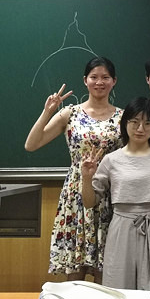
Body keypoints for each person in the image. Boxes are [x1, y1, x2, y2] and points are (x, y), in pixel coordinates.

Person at [25, 56, 122, 282]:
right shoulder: (70, 113)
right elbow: (31, 144)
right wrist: (48, 111)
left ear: (114, 81)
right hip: (76, 193)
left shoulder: (124, 117)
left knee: (106, 272)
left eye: (105, 77)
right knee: (75, 273)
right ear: (85, 80)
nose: (99, 82)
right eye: (94, 77)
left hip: (109, 192)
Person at [81, 97, 150, 290]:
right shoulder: (111, 160)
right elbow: (89, 202)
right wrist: (86, 178)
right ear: (125, 123)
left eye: (148, 123)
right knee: (119, 284)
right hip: (122, 226)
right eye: (134, 122)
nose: (140, 128)